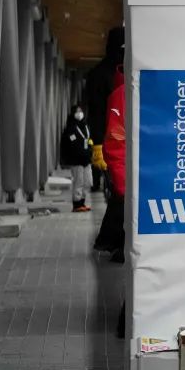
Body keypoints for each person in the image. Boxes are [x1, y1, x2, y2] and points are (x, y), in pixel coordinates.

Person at [84, 27, 123, 192]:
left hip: (117, 142)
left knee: (119, 196)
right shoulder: (105, 75)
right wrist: (98, 144)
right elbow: (96, 112)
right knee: (119, 195)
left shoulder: (102, 73)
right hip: (114, 143)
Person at [96, 64, 126, 263]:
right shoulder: (123, 95)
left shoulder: (120, 92)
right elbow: (116, 139)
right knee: (121, 209)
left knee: (118, 209)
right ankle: (116, 246)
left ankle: (113, 245)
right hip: (124, 172)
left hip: (122, 170)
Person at [59, 105, 93, 212]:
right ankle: (77, 204)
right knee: (79, 182)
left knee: (88, 182)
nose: (79, 113)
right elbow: (70, 145)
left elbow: (88, 140)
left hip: (86, 159)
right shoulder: (71, 128)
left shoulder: (85, 126)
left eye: (81, 111)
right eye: (77, 111)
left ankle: (82, 202)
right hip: (77, 160)